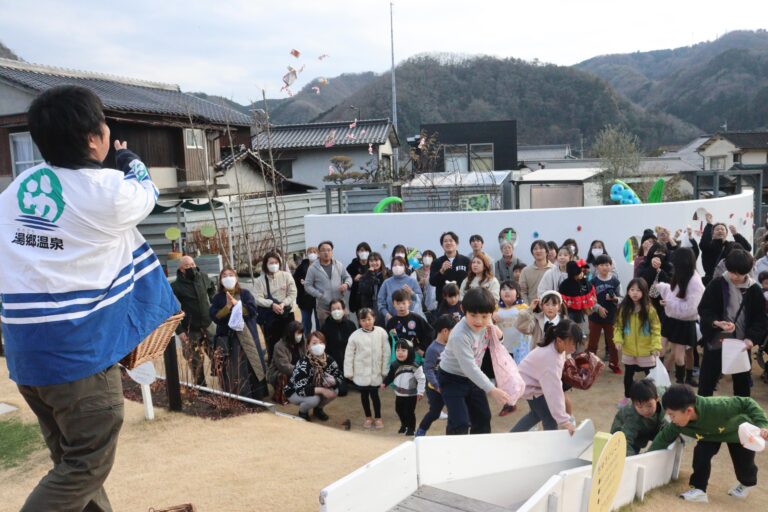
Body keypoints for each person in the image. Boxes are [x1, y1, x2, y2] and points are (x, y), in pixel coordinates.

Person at [0, 85, 179, 511]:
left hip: (28, 359)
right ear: (93, 138)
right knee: (84, 467)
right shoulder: (108, 192)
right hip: (78, 358)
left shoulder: (16, 192)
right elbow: (147, 191)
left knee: (72, 463)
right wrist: (128, 157)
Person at [649, 384, 768, 502]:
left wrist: (763, 425)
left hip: (737, 432)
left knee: (744, 465)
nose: (671, 419)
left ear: (689, 411)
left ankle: (747, 483)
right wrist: (647, 458)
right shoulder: (676, 424)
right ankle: (699, 489)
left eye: (672, 415)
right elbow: (662, 440)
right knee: (701, 454)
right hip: (708, 436)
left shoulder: (717, 406)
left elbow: (747, 402)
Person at [438, 288, 512, 435]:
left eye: (484, 316)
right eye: (473, 315)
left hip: (473, 377)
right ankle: (454, 453)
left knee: (483, 417)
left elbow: (498, 343)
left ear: (491, 313)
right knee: (460, 422)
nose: (479, 321)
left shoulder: (487, 322)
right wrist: (492, 389)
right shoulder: (459, 335)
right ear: (463, 310)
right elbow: (469, 368)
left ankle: (478, 452)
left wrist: (499, 335)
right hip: (452, 378)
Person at [697, 249, 767, 397]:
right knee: (707, 382)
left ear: (747, 271)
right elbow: (705, 309)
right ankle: (703, 413)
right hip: (718, 340)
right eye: (731, 271)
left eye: (739, 273)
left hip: (741, 344)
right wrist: (716, 322)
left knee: (742, 385)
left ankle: (741, 415)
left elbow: (760, 319)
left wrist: (751, 339)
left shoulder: (754, 290)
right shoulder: (717, 284)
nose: (734, 276)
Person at [511, 319, 583, 434]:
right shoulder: (550, 360)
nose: (575, 347)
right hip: (530, 387)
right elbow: (554, 392)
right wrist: (564, 420)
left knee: (536, 415)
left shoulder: (556, 345)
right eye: (572, 343)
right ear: (559, 341)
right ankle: (552, 445)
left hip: (530, 382)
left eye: (576, 343)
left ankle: (512, 435)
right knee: (550, 419)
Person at [210, 268, 267, 398]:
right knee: (233, 366)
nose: (228, 277)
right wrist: (227, 307)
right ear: (220, 280)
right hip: (228, 338)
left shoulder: (245, 293)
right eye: (224, 276)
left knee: (251, 363)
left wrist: (237, 304)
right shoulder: (218, 298)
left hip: (247, 335)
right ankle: (237, 394)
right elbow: (215, 317)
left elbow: (252, 310)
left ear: (236, 277)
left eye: (230, 275)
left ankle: (256, 394)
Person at [655, 248, 705, 385]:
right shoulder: (680, 274)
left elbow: (691, 308)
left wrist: (669, 303)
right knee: (661, 349)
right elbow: (674, 293)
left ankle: (682, 381)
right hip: (671, 319)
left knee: (680, 356)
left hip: (684, 322)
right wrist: (663, 289)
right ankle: (660, 377)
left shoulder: (695, 282)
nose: (673, 265)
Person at [614, 278, 662, 406]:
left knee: (650, 377)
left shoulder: (649, 309)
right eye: (632, 290)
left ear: (644, 292)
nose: (635, 293)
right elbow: (618, 326)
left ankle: (652, 399)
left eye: (638, 290)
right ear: (628, 291)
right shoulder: (623, 308)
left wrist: (656, 345)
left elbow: (656, 329)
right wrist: (618, 339)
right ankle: (627, 397)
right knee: (628, 376)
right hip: (628, 349)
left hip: (647, 350)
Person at [171, 255, 216, 386]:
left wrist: (214, 303)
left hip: (208, 324)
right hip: (190, 329)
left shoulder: (203, 277)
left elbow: (212, 288)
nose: (191, 267)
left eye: (192, 264)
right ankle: (202, 388)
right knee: (195, 360)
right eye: (187, 266)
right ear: (181, 269)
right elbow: (171, 310)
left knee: (218, 353)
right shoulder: (176, 286)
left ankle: (224, 382)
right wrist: (179, 331)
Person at [344, 308, 391, 428]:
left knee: (375, 396)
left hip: (376, 371)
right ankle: (368, 417)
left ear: (374, 318)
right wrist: (349, 372)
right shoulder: (355, 336)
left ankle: (378, 417)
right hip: (361, 372)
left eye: (369, 319)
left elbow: (386, 352)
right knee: (364, 396)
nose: (367, 322)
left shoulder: (381, 332)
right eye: (363, 320)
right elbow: (349, 355)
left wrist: (385, 369)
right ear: (359, 321)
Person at [284, 331, 342, 422]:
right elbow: (300, 390)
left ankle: (318, 409)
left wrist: (334, 381)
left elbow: (339, 376)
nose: (318, 345)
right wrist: (322, 390)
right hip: (294, 392)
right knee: (314, 399)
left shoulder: (329, 359)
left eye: (321, 342)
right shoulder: (303, 363)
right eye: (314, 343)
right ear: (308, 346)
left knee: (335, 391)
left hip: (315, 388)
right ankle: (303, 412)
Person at [416, 314, 457, 437]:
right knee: (434, 412)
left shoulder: (452, 346)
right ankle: (421, 431)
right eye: (453, 332)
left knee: (454, 411)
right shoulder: (433, 349)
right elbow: (428, 369)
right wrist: (437, 385)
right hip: (435, 389)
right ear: (445, 331)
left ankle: (452, 434)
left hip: (450, 386)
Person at [254, 250, 297, 359]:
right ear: (265, 264)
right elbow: (257, 298)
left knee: (291, 341)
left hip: (287, 313)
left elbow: (293, 293)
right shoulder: (259, 280)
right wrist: (271, 304)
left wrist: (283, 303)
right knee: (273, 343)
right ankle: (275, 368)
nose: (274, 265)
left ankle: (291, 364)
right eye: (271, 263)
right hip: (270, 317)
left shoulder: (286, 275)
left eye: (276, 262)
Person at [611, 379, 667, 456]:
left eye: (649, 405)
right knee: (629, 452)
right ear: (633, 403)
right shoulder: (631, 416)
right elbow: (625, 441)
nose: (645, 410)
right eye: (640, 406)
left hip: (649, 427)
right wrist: (632, 460)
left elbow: (668, 390)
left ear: (657, 398)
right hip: (625, 434)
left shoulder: (663, 396)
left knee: (665, 431)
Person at [382, 340, 426, 435]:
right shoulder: (394, 364)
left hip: (411, 394)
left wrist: (420, 392)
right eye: (398, 350)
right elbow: (390, 376)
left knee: (409, 412)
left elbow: (422, 379)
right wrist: (384, 383)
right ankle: (404, 424)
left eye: (403, 350)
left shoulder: (415, 366)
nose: (400, 353)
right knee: (399, 410)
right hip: (399, 393)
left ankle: (411, 428)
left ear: (409, 351)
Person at [304, 240, 352, 325]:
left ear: (332, 252)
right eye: (323, 250)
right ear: (319, 253)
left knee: (346, 328)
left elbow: (348, 277)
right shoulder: (313, 268)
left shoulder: (338, 264)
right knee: (326, 332)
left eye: (329, 250)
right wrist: (319, 294)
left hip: (339, 304)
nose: (326, 252)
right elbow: (307, 285)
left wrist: (346, 284)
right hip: (323, 307)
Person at [587, 254, 621, 374]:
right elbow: (588, 299)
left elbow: (621, 298)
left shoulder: (615, 281)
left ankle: (614, 364)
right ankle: (590, 365)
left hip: (611, 317)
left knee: (613, 342)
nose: (605, 267)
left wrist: (615, 299)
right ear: (596, 267)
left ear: (611, 266)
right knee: (592, 343)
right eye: (601, 265)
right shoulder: (592, 282)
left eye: (607, 264)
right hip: (595, 317)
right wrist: (597, 307)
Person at [700, 213, 751, 284]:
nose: (720, 231)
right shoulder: (709, 247)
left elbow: (747, 249)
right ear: (712, 234)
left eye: (722, 229)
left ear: (726, 233)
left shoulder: (732, 245)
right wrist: (709, 224)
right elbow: (703, 244)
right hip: (712, 281)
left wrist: (736, 234)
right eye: (717, 229)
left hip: (731, 280)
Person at [385, 288, 435, 355]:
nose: (401, 306)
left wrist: (422, 348)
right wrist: (391, 335)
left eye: (403, 303)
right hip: (399, 356)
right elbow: (388, 342)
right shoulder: (391, 322)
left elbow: (430, 332)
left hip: (415, 355)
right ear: (393, 304)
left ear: (409, 303)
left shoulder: (416, 318)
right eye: (398, 303)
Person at [267, 321, 306, 405]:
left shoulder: (302, 342)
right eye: (298, 333)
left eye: (301, 333)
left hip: (298, 370)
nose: (300, 335)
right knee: (283, 376)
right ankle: (281, 394)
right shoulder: (279, 346)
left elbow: (307, 356)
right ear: (291, 333)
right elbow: (284, 367)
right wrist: (301, 370)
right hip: (281, 373)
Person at [494, 280, 531, 364]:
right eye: (503, 289)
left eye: (510, 289)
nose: (506, 291)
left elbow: (527, 320)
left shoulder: (523, 307)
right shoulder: (496, 308)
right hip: (503, 348)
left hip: (520, 349)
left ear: (517, 294)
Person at [430, 231, 471, 304]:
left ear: (456, 243)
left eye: (451, 240)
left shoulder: (466, 261)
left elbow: (471, 280)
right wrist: (441, 271)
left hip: (463, 301)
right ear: (442, 245)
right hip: (443, 302)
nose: (448, 243)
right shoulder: (437, 262)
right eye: (445, 241)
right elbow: (432, 282)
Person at [378, 255, 424, 320]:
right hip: (392, 320)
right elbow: (380, 303)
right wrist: (388, 316)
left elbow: (420, 298)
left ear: (405, 266)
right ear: (391, 267)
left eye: (400, 264)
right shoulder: (386, 283)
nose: (397, 267)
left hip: (411, 320)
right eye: (394, 265)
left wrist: (412, 293)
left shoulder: (412, 281)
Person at [319, 298, 357, 377]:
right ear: (330, 311)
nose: (336, 311)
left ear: (344, 310)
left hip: (350, 364)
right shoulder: (325, 327)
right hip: (333, 365)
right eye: (333, 309)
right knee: (342, 388)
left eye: (338, 308)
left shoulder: (351, 325)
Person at [558, 260, 596, 325]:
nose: (582, 274)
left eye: (583, 272)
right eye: (580, 272)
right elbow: (562, 298)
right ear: (573, 273)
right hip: (569, 311)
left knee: (579, 325)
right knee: (569, 325)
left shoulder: (584, 282)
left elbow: (590, 291)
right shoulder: (565, 284)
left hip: (581, 310)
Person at [357, 252, 389, 324]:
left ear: (381, 261)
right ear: (368, 263)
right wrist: (369, 275)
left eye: (376, 260)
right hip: (370, 304)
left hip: (384, 303)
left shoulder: (387, 273)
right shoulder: (365, 275)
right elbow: (363, 290)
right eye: (371, 261)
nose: (374, 263)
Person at [293, 246, 319, 337]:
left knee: (319, 321)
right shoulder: (301, 266)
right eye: (310, 252)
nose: (312, 253)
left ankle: (319, 339)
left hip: (318, 298)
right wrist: (301, 281)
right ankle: (305, 341)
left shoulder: (321, 265)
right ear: (307, 254)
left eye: (314, 252)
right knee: (305, 322)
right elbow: (296, 279)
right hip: (305, 299)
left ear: (318, 254)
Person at [519, 240, 553, 304]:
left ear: (547, 252)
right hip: (532, 308)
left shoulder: (554, 269)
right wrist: (528, 307)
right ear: (532, 253)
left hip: (551, 307)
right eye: (535, 249)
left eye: (541, 248)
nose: (538, 251)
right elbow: (522, 291)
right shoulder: (525, 271)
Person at [346, 242, 371, 313]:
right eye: (361, 250)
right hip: (357, 298)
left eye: (366, 251)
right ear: (357, 252)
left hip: (370, 298)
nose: (364, 253)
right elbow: (345, 278)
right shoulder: (353, 265)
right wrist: (354, 278)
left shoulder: (372, 263)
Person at [416, 249, 439, 321]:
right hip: (420, 305)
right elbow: (412, 285)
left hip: (435, 305)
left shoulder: (437, 270)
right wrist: (419, 284)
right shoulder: (417, 271)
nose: (427, 257)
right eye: (425, 255)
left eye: (429, 255)